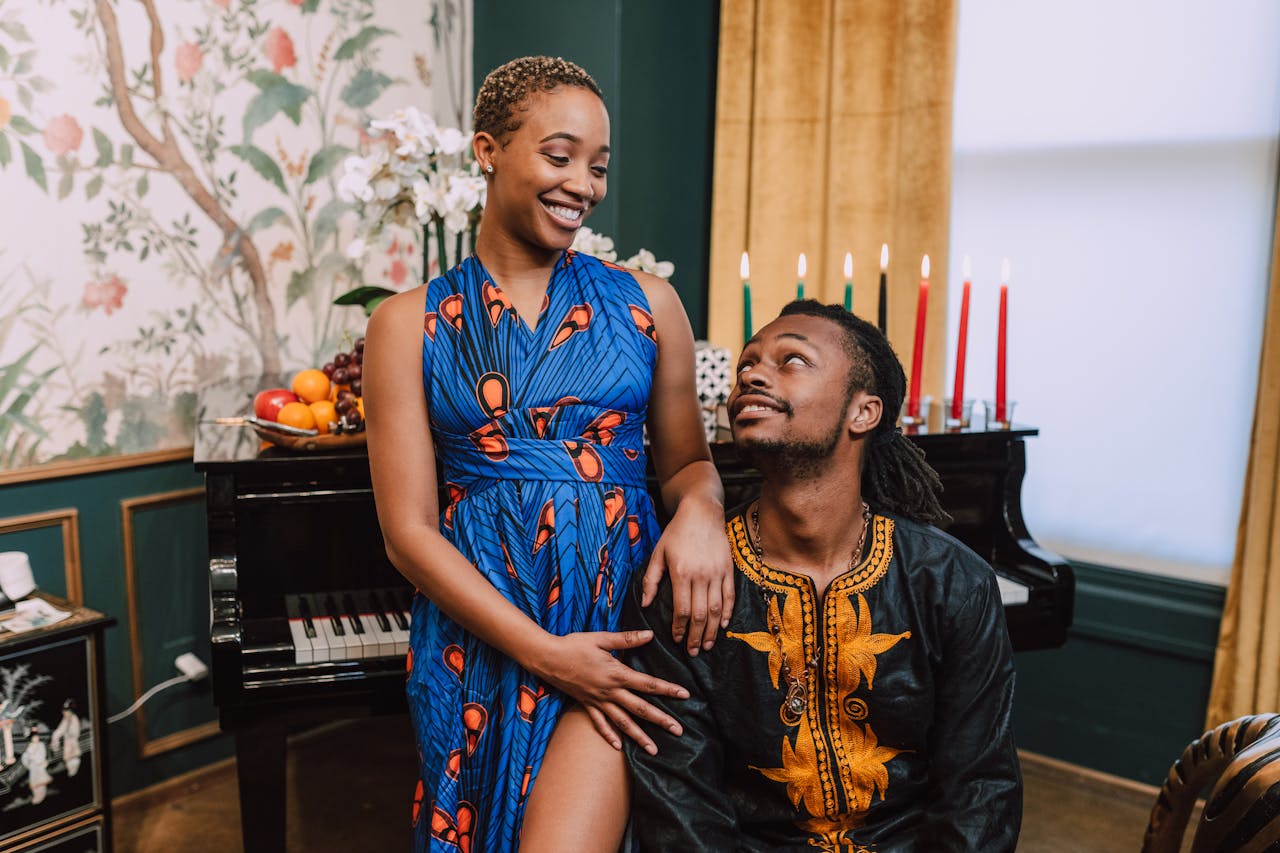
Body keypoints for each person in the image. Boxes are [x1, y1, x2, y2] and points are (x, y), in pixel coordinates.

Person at [363, 55, 733, 851]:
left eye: (598, 167)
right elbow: (409, 533)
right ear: (488, 149)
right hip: (481, 641)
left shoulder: (647, 302)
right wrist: (544, 654)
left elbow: (687, 464)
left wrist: (703, 508)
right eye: (559, 156)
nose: (583, 185)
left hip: (618, 632)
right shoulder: (405, 324)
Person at [624, 300, 1023, 851]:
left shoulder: (953, 582)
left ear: (864, 412)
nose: (751, 375)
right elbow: (680, 803)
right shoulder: (680, 584)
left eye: (792, 360)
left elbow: (981, 790)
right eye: (747, 365)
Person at [51, 699, 81, 777]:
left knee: (72, 759)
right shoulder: (65, 720)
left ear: (71, 712)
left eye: (66, 711)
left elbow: (74, 734)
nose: (64, 713)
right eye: (64, 711)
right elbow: (60, 730)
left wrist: (66, 734)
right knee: (55, 735)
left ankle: (73, 770)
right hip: (67, 744)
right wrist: (55, 737)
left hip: (72, 744)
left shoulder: (74, 719)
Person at [21, 726, 50, 804]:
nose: (36, 739)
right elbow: (25, 757)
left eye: (37, 737)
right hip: (34, 766)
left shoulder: (41, 744)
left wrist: (43, 761)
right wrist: (28, 765)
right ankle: (37, 794)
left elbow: (43, 754)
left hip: (40, 764)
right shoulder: (30, 747)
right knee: (34, 781)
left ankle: (40, 794)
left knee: (41, 781)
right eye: (34, 738)